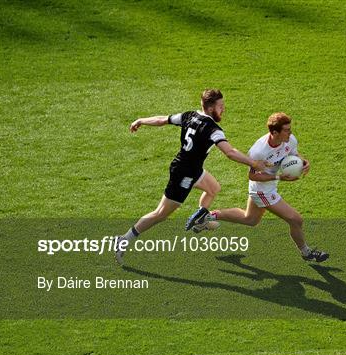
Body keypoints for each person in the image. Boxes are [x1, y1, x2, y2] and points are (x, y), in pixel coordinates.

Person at [115, 89, 268, 264]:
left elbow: (162, 119)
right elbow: (230, 152)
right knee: (161, 213)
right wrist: (254, 164)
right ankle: (124, 239)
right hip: (184, 174)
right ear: (211, 109)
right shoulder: (213, 129)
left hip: (192, 168)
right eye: (221, 107)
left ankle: (201, 219)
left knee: (213, 188)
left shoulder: (189, 115)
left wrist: (141, 120)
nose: (223, 110)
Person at [196, 112, 329, 262]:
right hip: (261, 189)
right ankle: (307, 253)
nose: (290, 133)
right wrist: (278, 177)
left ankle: (208, 216)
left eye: (290, 129)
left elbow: (293, 155)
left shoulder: (290, 140)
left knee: (250, 219)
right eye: (286, 130)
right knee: (295, 219)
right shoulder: (259, 151)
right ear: (274, 132)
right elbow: (252, 176)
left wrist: (303, 162)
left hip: (269, 186)